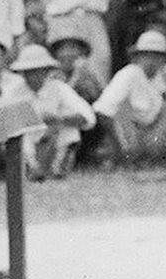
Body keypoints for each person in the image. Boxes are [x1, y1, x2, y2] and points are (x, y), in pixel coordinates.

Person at [91, 31, 166, 165]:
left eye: (157, 56)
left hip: (159, 132)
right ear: (138, 56)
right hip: (131, 131)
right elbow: (103, 110)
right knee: (118, 112)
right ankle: (129, 156)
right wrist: (121, 144)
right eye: (147, 55)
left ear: (164, 58)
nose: (152, 60)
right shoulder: (128, 74)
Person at [6, 41, 97, 178]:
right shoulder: (13, 92)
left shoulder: (58, 88)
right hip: (27, 140)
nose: (35, 76)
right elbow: (4, 122)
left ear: (47, 71)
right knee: (20, 138)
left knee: (70, 131)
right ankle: (32, 168)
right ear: (23, 73)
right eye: (30, 72)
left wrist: (59, 120)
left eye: (39, 71)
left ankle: (58, 167)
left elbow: (88, 117)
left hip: (52, 140)